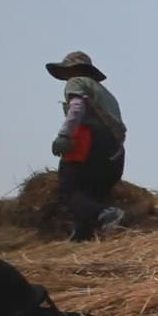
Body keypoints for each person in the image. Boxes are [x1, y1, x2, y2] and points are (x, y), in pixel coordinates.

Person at [46, 51, 127, 241]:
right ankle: (82, 235)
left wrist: (65, 135)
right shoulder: (107, 94)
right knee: (91, 193)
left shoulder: (76, 82)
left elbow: (77, 108)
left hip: (90, 141)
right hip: (114, 150)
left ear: (72, 69)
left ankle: (108, 214)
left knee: (69, 190)